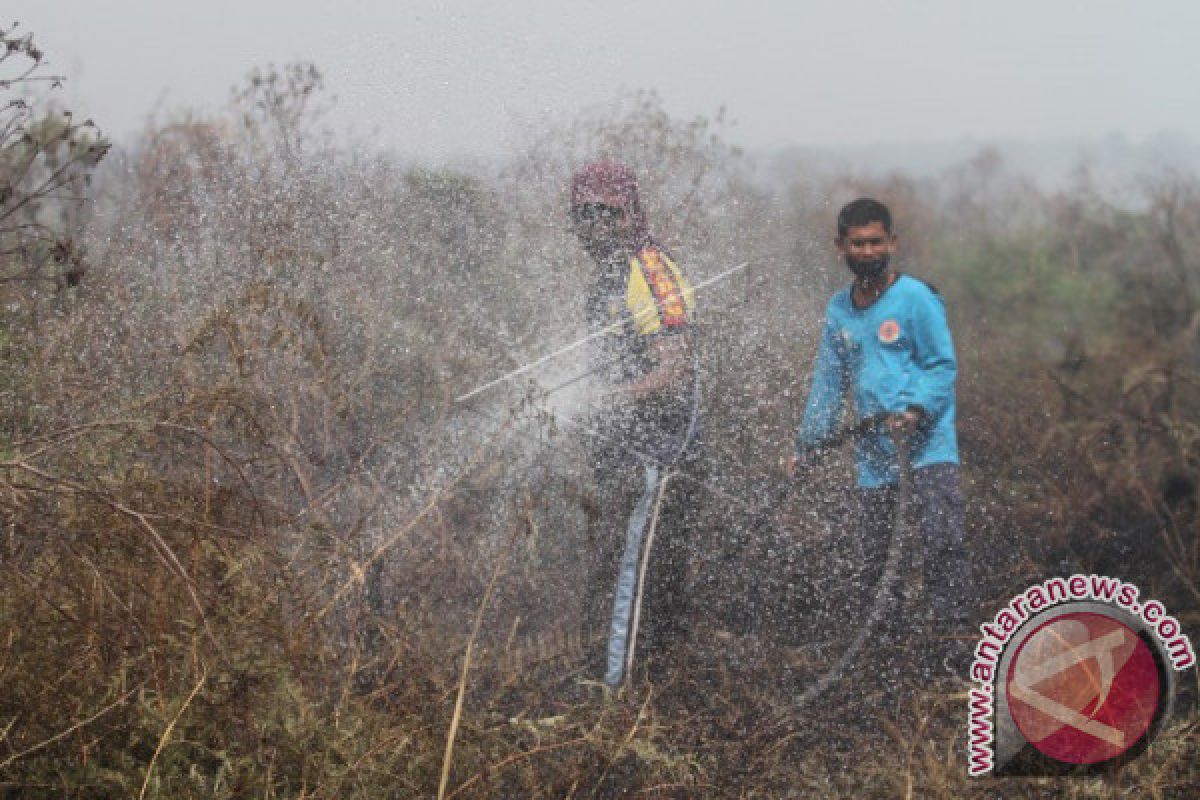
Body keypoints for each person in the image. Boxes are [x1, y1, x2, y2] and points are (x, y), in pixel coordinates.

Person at [790, 197, 974, 675]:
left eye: (876, 242)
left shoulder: (916, 299)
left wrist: (915, 409)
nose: (868, 251)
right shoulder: (838, 311)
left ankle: (953, 655)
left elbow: (940, 365)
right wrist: (807, 447)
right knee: (877, 564)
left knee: (941, 545)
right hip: (874, 460)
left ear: (891, 243)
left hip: (928, 450)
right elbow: (827, 384)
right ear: (841, 247)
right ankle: (887, 661)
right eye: (858, 243)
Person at [568, 159, 703, 688]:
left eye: (607, 212)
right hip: (622, 457)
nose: (595, 224)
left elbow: (674, 369)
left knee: (626, 579)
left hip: (657, 458)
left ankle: (610, 704)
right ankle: (663, 698)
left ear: (630, 213)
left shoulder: (653, 271)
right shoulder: (606, 277)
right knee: (642, 581)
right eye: (583, 214)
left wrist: (603, 397)